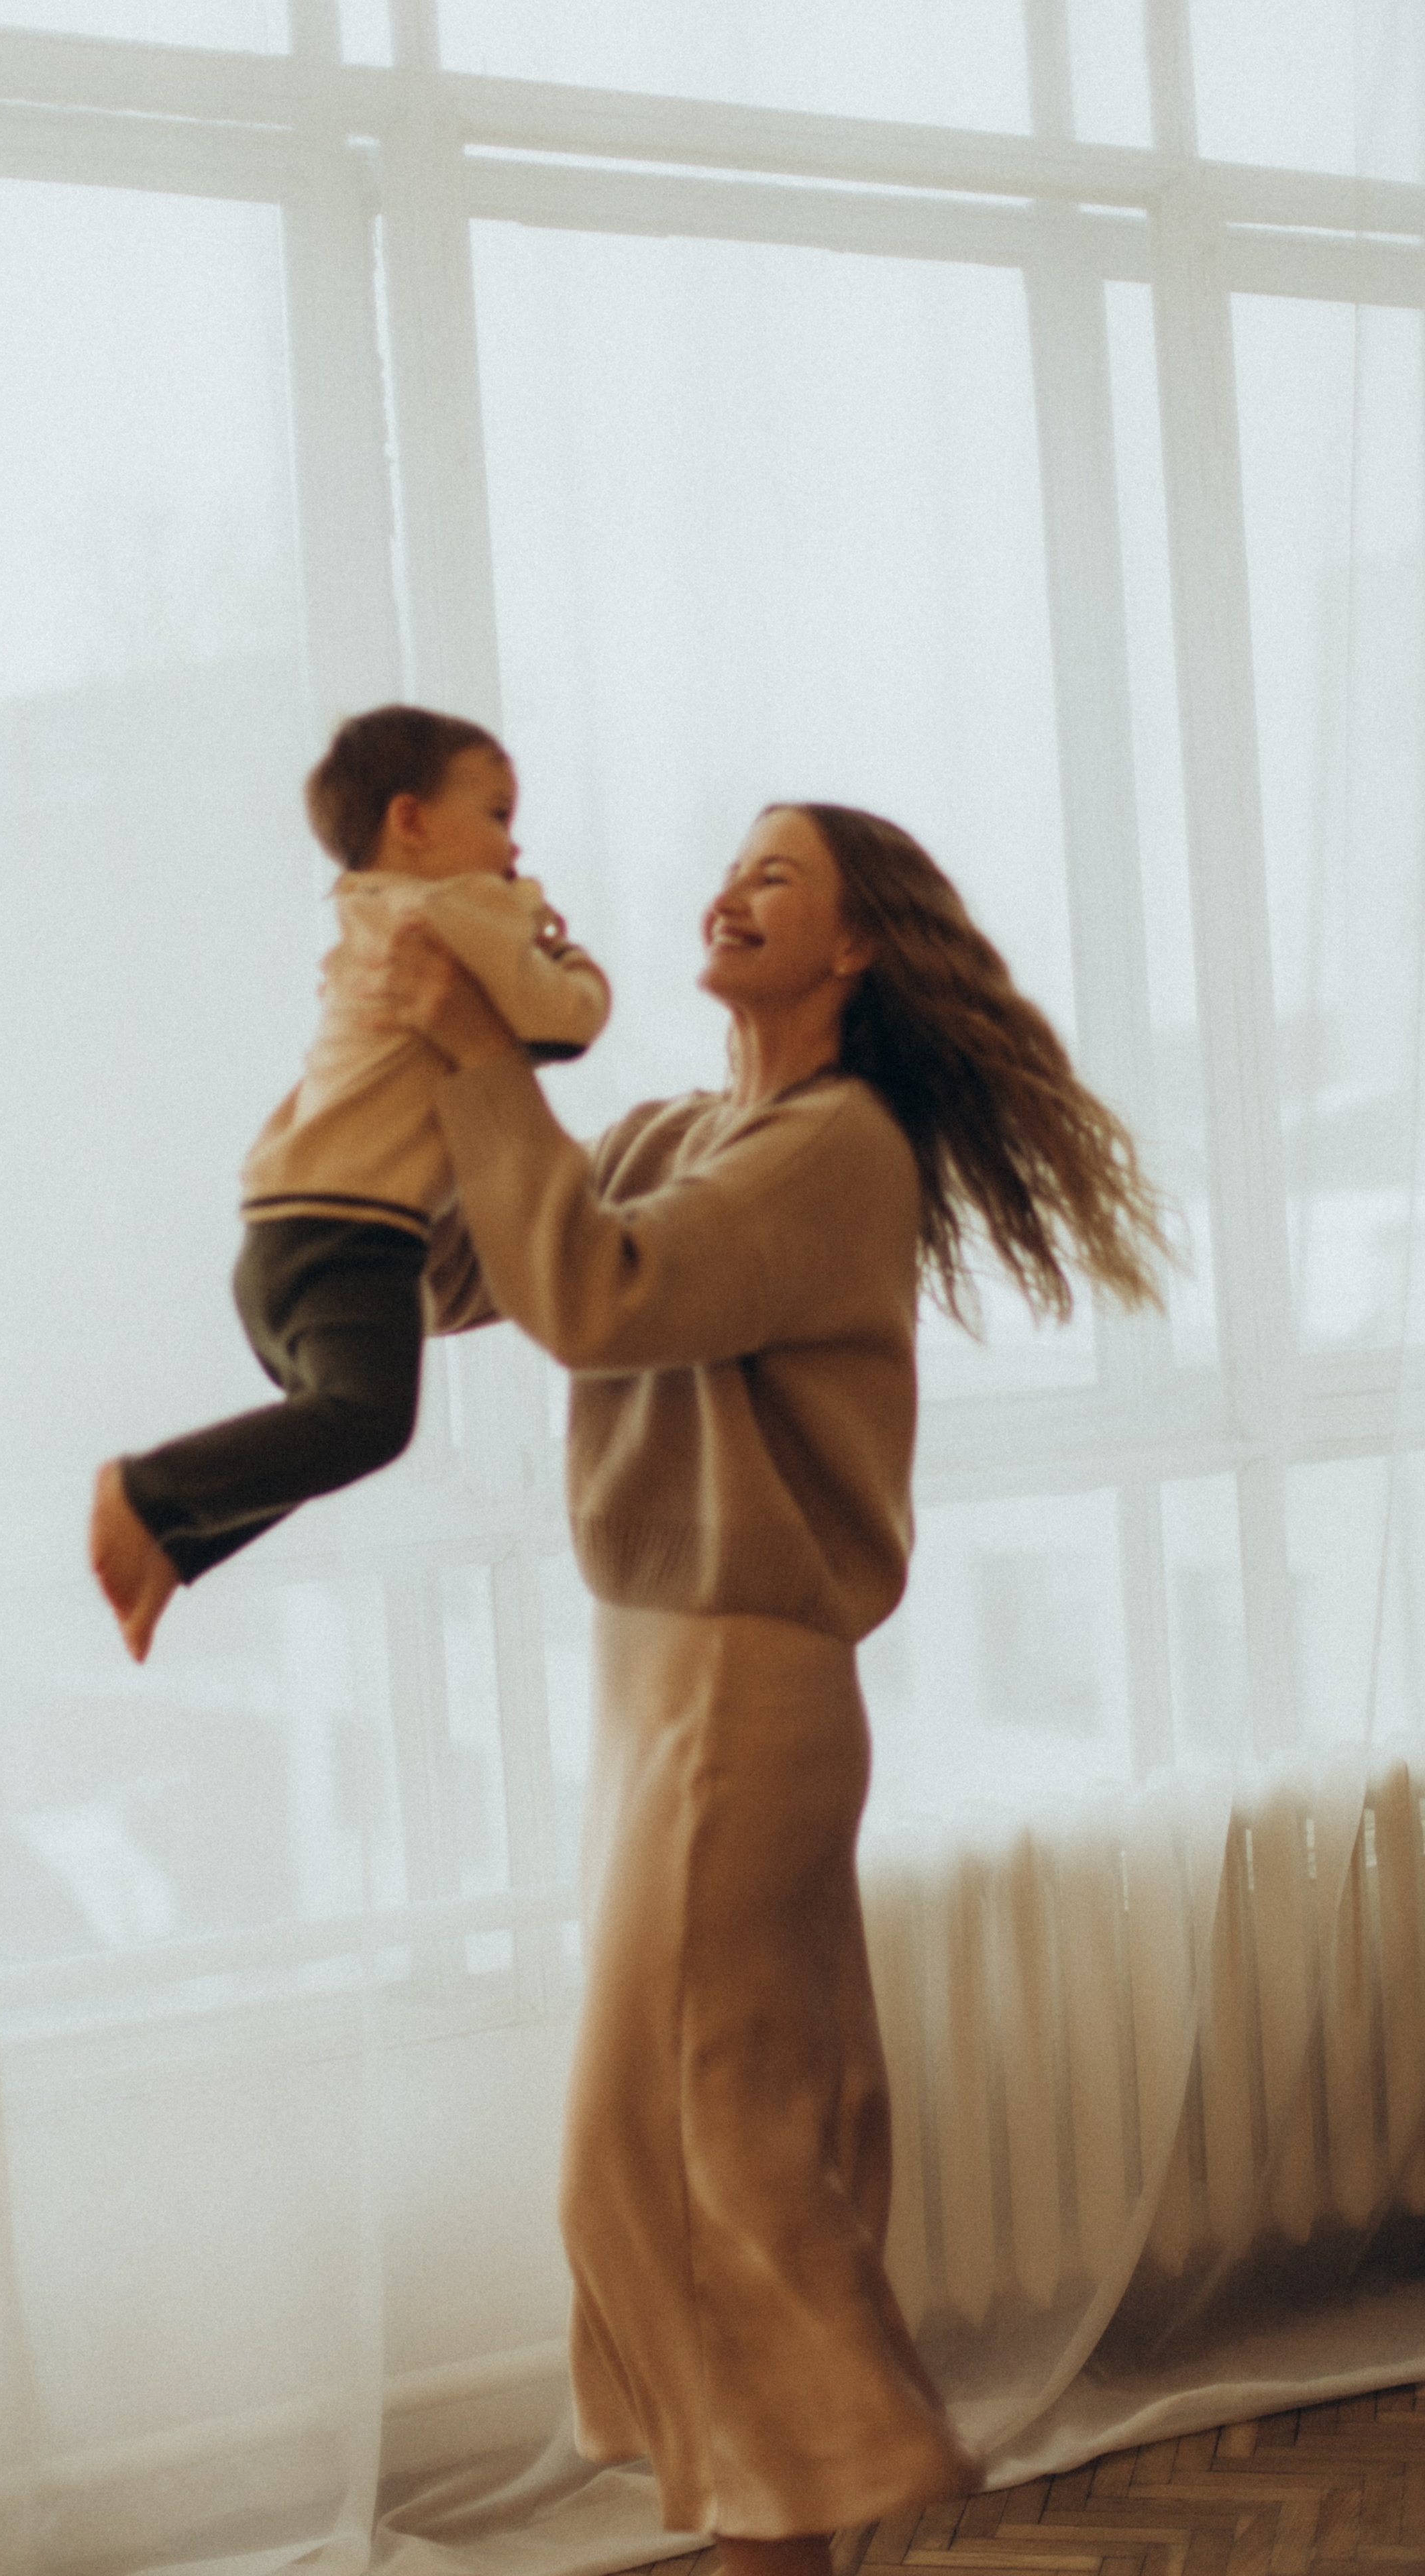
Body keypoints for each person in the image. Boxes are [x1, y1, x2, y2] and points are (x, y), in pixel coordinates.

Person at [354, 800, 1171, 2576]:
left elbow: (599, 1295)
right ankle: (791, 2523)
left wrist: (487, 1054)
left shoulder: (838, 1149)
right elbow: (458, 1271)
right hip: (658, 1694)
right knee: (737, 2137)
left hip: (742, 1691)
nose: (724, 892)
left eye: (772, 876)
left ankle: (824, 2487)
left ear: (853, 944)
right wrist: (424, 1037)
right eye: (727, 868)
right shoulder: (677, 1130)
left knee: (663, 2152)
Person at [88, 704, 609, 1664]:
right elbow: (564, 1022)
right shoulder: (455, 912)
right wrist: (559, 943)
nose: (514, 842)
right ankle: (148, 1492)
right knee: (367, 1425)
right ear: (411, 823)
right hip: (353, 1237)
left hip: (279, 1242)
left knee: (319, 1431)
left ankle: (177, 1541)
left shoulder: (363, 919)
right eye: (497, 814)